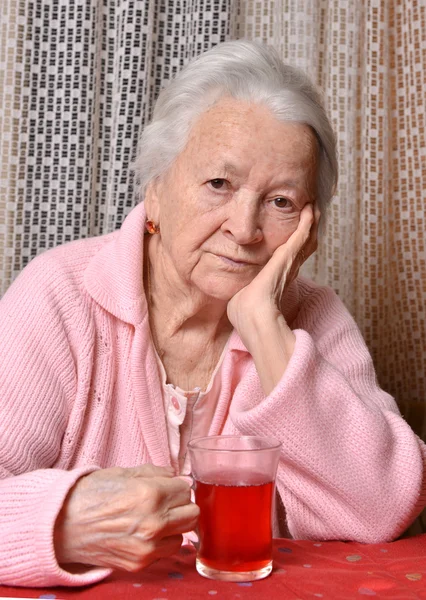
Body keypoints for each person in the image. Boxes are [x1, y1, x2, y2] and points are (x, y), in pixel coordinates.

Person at [0, 40, 425, 589]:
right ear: (155, 191)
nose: (244, 230)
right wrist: (64, 525)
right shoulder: (61, 294)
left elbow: (384, 509)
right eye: (218, 185)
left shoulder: (311, 316)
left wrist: (266, 329)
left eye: (281, 202)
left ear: (308, 230)